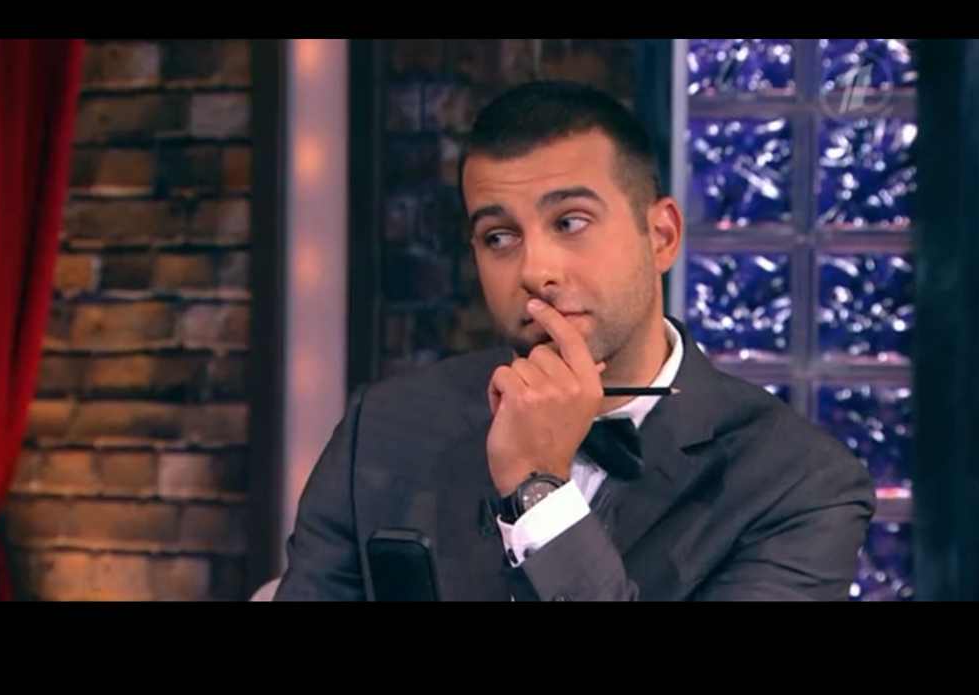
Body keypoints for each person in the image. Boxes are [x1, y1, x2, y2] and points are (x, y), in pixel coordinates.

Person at [272, 80, 877, 602]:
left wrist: (538, 488)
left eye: (570, 222)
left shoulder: (800, 484)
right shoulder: (382, 429)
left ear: (661, 236)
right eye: (500, 236)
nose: (536, 270)